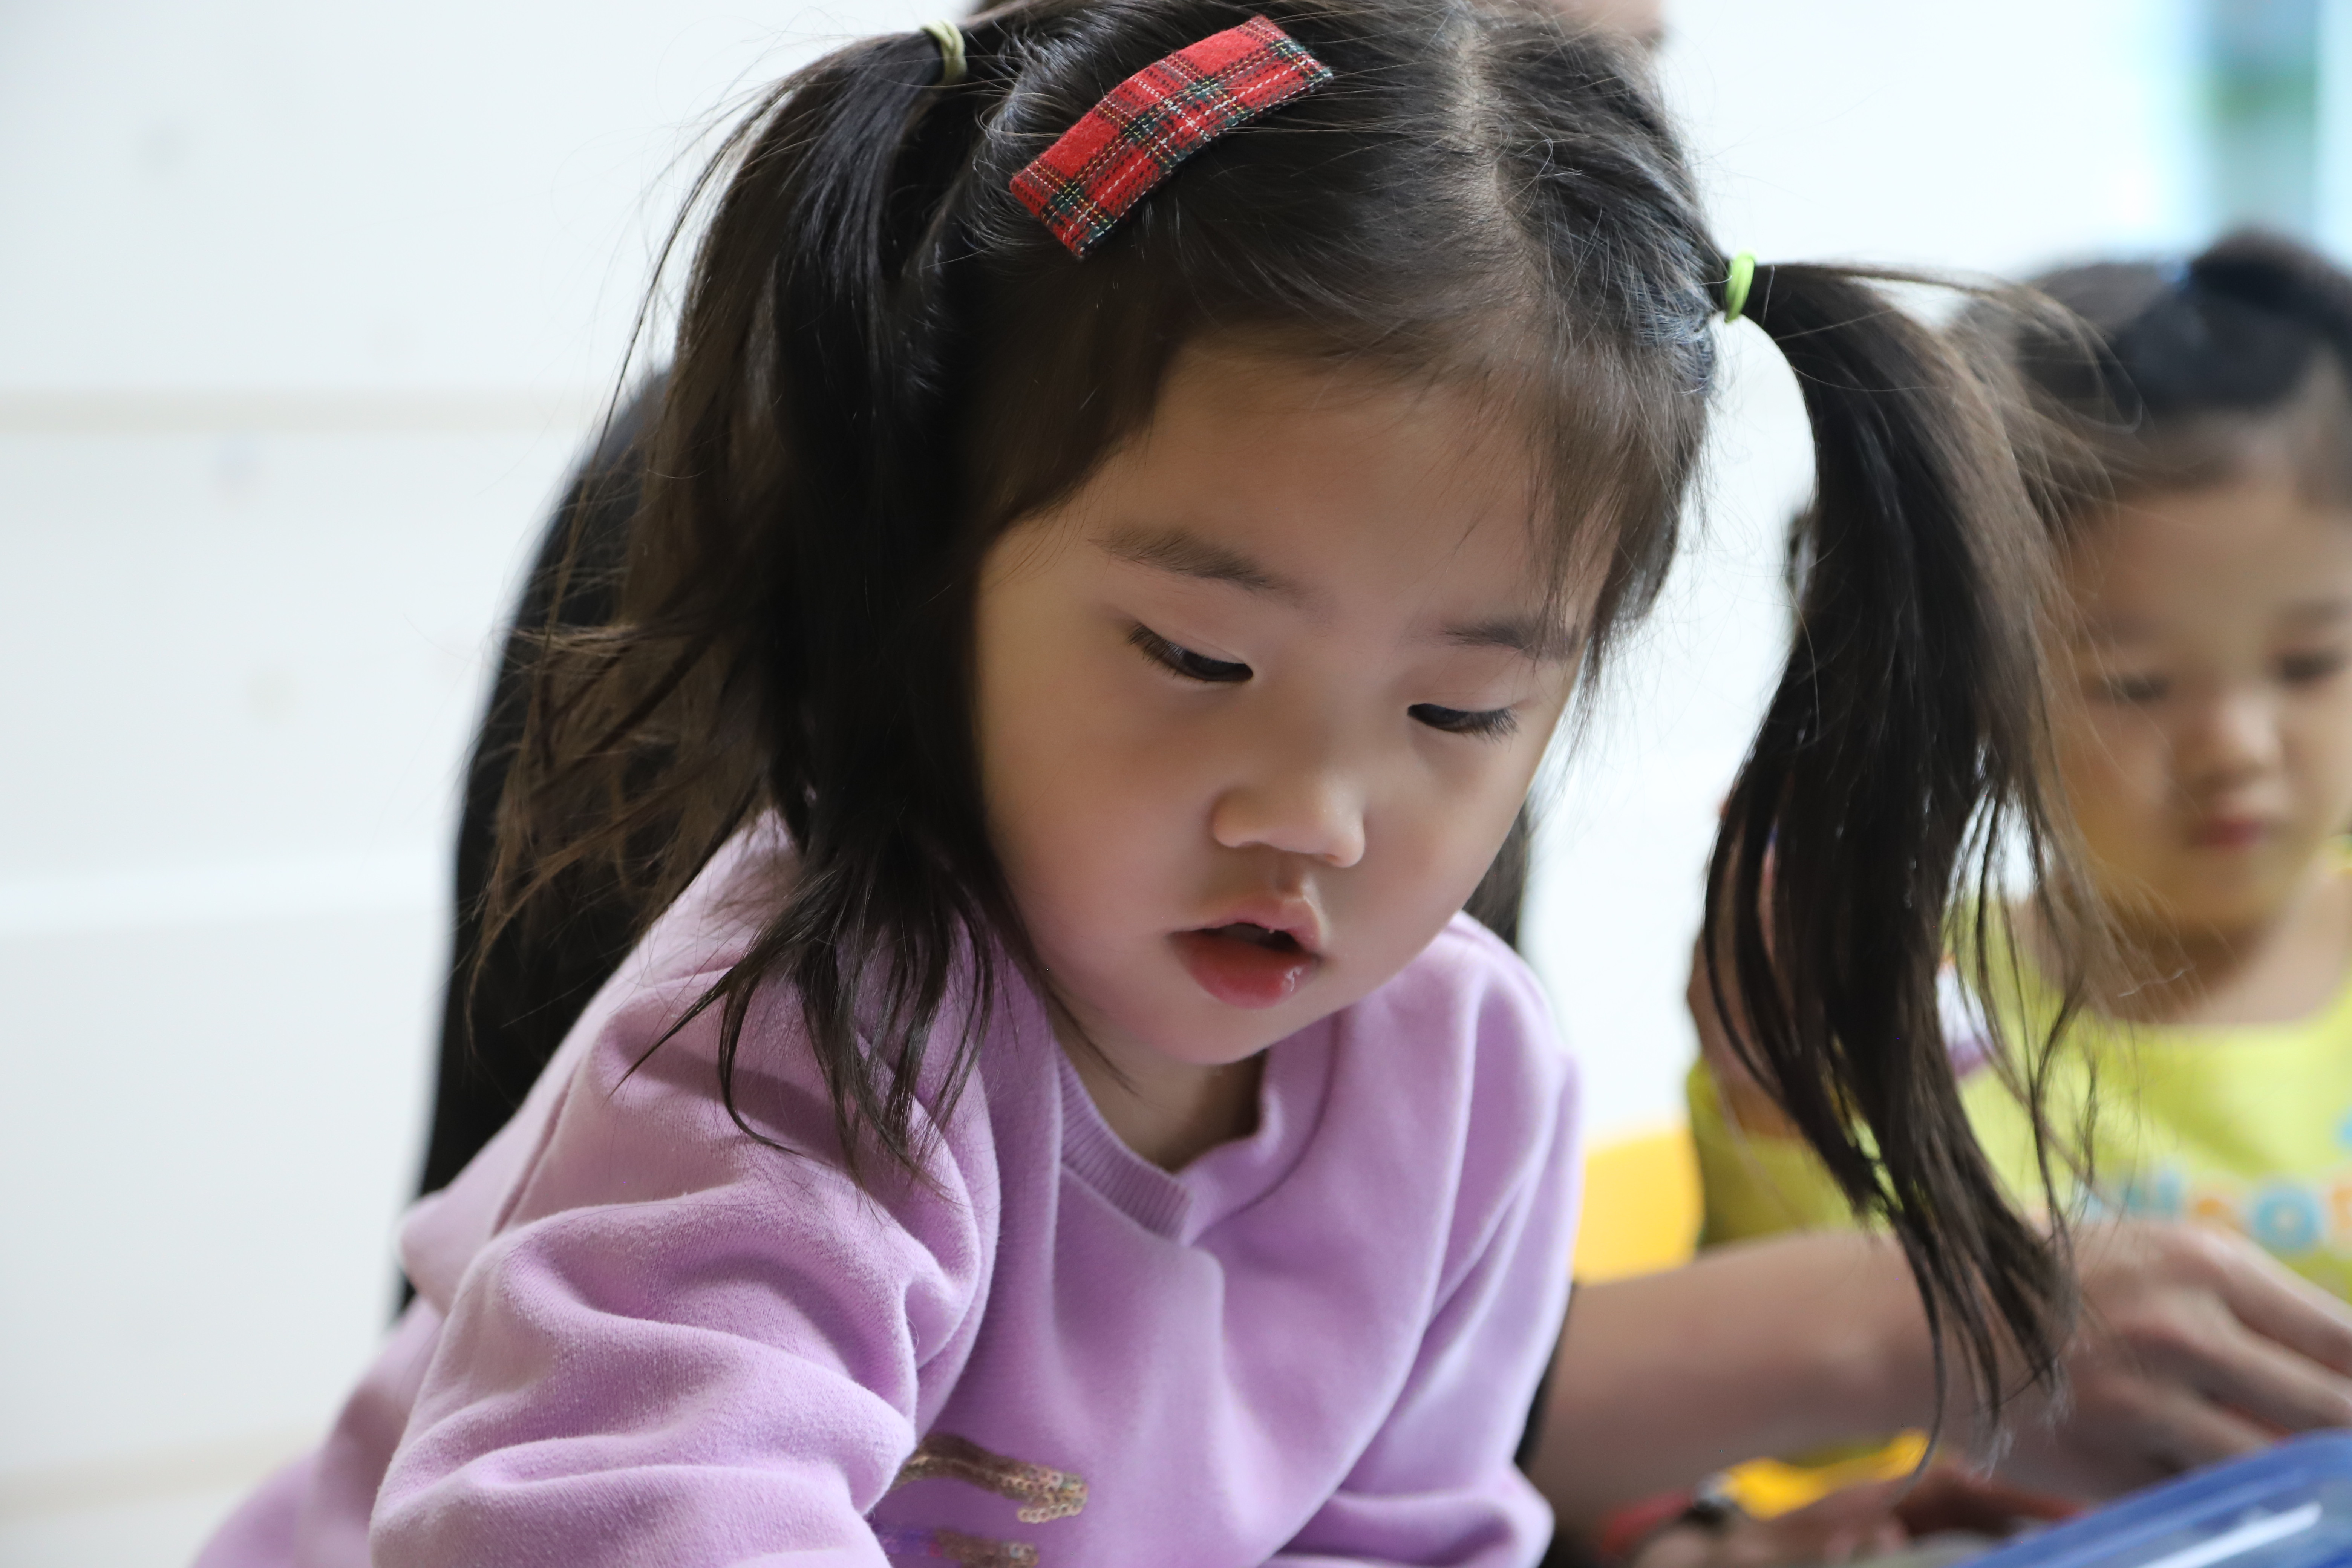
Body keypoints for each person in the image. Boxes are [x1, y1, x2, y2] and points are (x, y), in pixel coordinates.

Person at [196, 0, 2090, 1561]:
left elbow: (1402, 1535)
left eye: (1460, 712)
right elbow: (613, 1517)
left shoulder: (1465, 1079)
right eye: (1196, 659)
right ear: (932, 566)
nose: (1317, 811)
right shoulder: (810, 1017)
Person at [1645, 230, 2352, 1557]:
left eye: (2313, 663)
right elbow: (1818, 1430)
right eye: (2136, 685)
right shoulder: (1921, 997)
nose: (2238, 747)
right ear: (1975, 690)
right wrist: (1778, 1087)